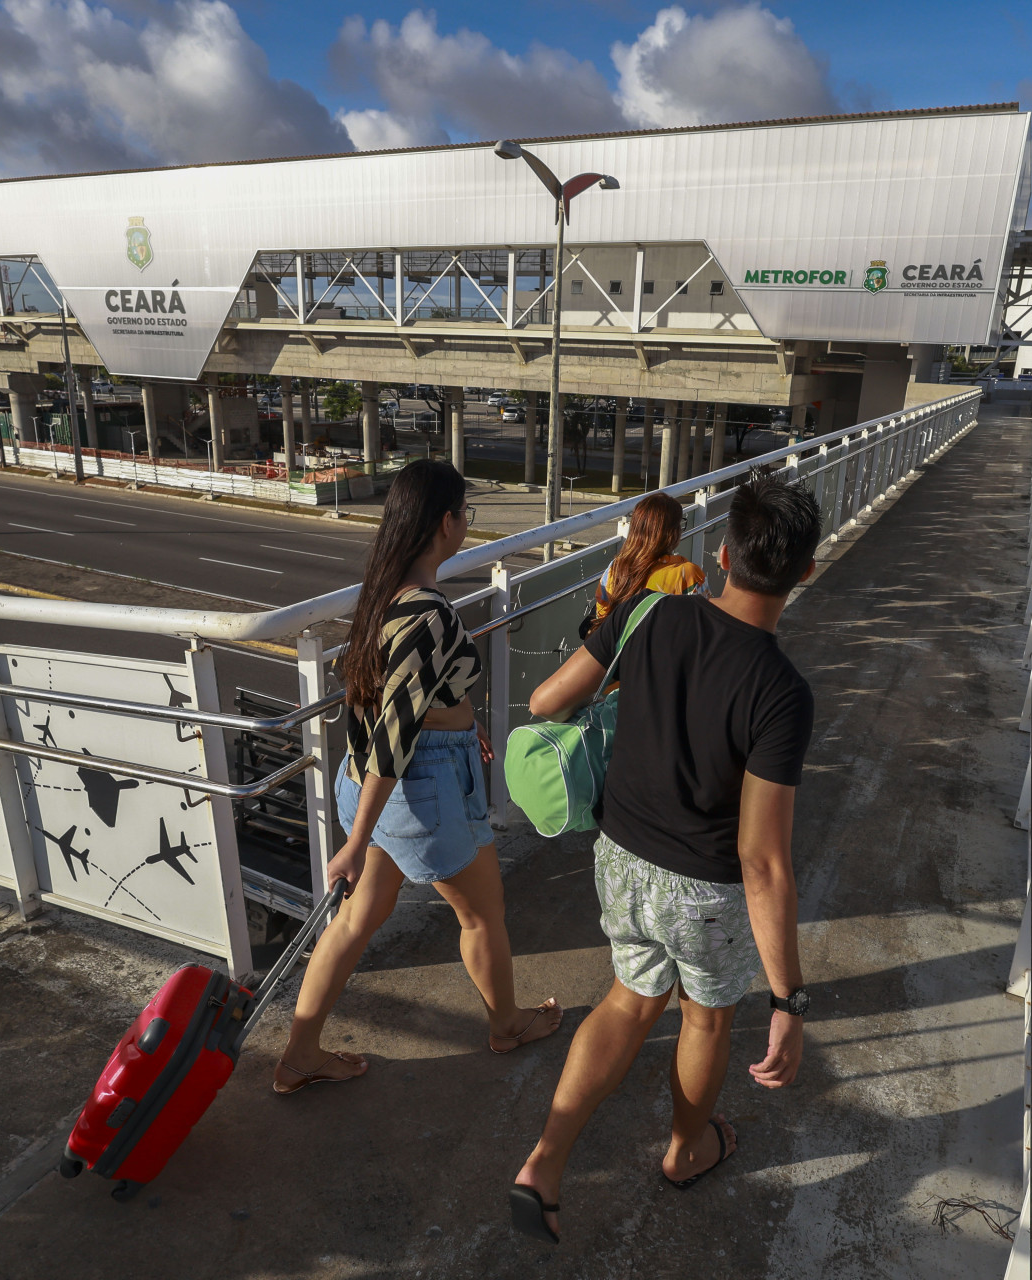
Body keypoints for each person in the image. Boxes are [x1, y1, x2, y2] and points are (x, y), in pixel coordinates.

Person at [508, 476, 822, 1243]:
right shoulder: (781, 691)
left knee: (626, 1001)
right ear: (804, 573)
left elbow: (547, 702)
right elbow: (762, 860)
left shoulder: (651, 612)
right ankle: (687, 1149)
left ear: (719, 555)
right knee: (705, 1023)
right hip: (704, 892)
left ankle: (545, 1163)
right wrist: (788, 1001)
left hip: (620, 857)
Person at [273, 460, 561, 1094]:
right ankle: (507, 1023)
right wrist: (355, 841)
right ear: (446, 523)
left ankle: (298, 1055)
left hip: (384, 783)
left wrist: (462, 725)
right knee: (483, 917)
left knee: (355, 921)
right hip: (417, 788)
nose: (466, 527)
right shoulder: (427, 613)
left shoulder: (383, 593)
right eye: (467, 515)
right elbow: (395, 733)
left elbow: (386, 701)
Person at [585, 491, 705, 637]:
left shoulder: (615, 568)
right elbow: (705, 630)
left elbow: (601, 616)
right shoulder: (688, 575)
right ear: (672, 533)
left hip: (619, 656)